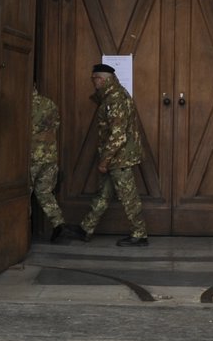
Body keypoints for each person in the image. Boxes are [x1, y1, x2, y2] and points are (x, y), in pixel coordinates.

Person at [60, 63, 148, 247]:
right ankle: (86, 228)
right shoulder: (110, 96)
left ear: (104, 79)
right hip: (116, 156)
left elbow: (118, 134)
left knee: (128, 196)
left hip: (119, 157)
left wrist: (105, 159)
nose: (93, 82)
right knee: (103, 194)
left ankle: (140, 234)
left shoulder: (115, 99)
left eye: (95, 79)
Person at [30, 85, 66, 242]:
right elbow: (56, 125)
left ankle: (20, 233)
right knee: (45, 192)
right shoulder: (49, 103)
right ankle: (58, 224)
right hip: (49, 156)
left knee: (23, 194)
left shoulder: (23, 103)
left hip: (31, 157)